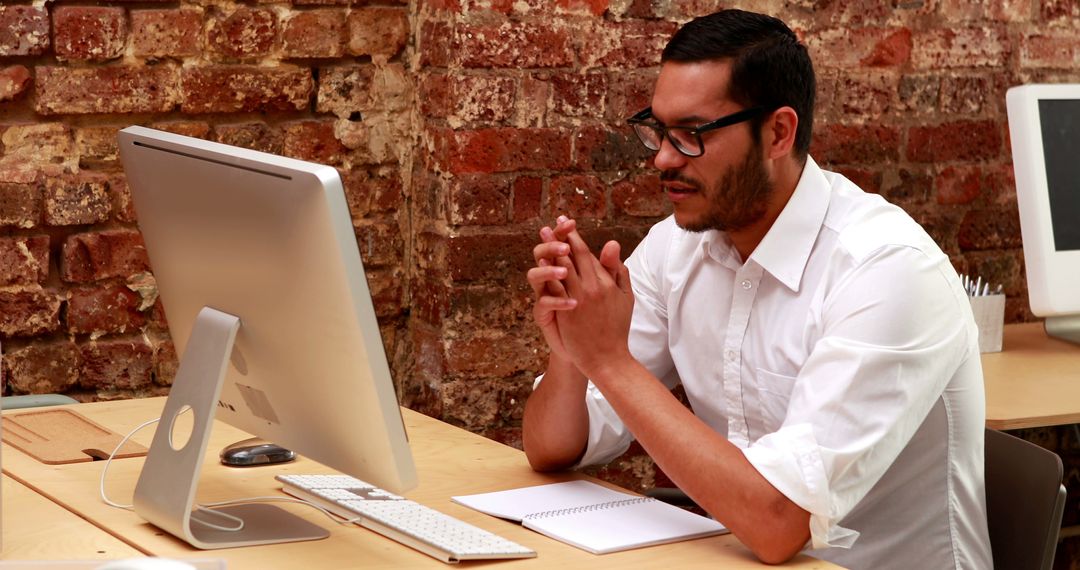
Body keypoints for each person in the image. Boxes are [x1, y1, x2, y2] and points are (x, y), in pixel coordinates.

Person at [522, 9, 992, 569]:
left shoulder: (887, 269)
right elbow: (552, 449)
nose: (664, 158)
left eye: (692, 134)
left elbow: (776, 522)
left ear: (778, 132)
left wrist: (610, 360)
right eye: (659, 130)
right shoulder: (679, 245)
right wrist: (571, 343)